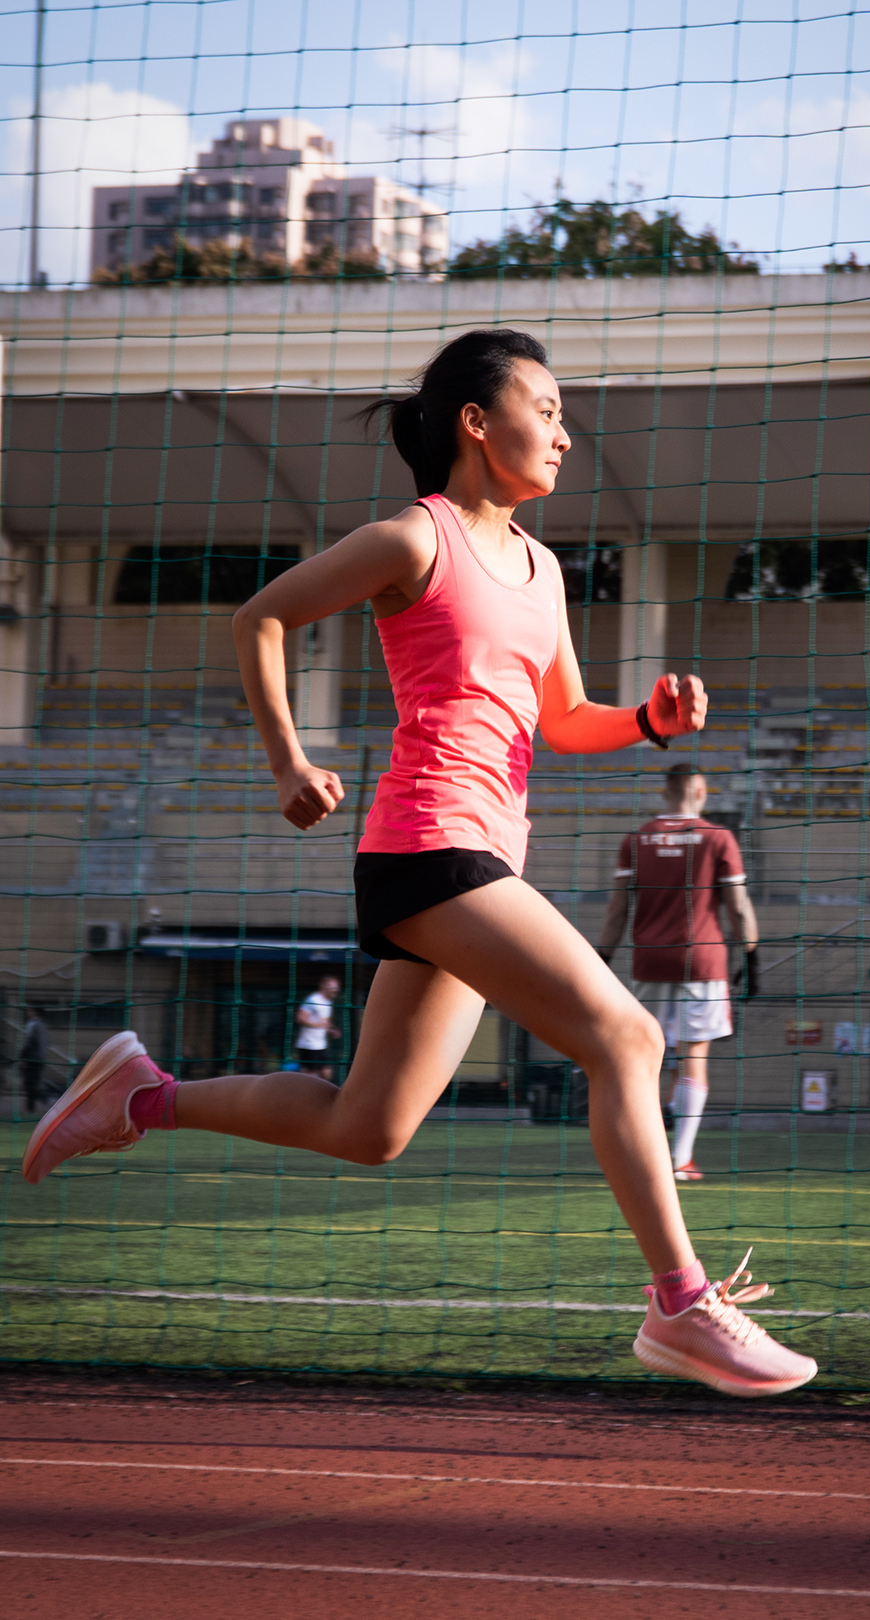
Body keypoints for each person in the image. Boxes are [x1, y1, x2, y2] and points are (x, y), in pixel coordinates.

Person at [21, 327, 816, 1399]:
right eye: (548, 408)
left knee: (370, 1126)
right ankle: (682, 1306)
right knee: (626, 1035)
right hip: (429, 847)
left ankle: (142, 1096)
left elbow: (564, 718)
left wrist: (646, 721)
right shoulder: (414, 538)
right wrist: (288, 761)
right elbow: (264, 618)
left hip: (485, 853)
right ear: (477, 424)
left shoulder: (541, 567)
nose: (566, 435)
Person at [597, 763, 758, 1182]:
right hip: (701, 963)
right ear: (701, 793)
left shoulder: (637, 840)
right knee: (693, 1057)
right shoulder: (719, 838)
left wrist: (602, 959)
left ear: (665, 794)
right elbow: (739, 907)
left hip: (649, 961)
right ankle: (679, 1159)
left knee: (646, 1058)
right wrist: (752, 958)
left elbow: (617, 911)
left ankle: (642, 1154)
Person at [294, 975, 342, 1081]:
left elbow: (325, 1022)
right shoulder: (313, 999)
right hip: (308, 1045)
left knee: (327, 1073)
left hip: (321, 1045)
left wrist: (331, 1030)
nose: (336, 990)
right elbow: (300, 1018)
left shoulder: (328, 1003)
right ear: (324, 987)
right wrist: (317, 1025)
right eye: (334, 987)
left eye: (337, 987)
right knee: (310, 1077)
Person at [19, 1007, 50, 1114]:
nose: (28, 1012)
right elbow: (46, 1043)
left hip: (32, 1059)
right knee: (34, 1083)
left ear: (35, 1012)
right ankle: (32, 1107)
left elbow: (28, 1041)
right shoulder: (43, 1025)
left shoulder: (32, 1024)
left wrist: (22, 1057)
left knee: (29, 1084)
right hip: (40, 1059)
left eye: (30, 1010)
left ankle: (44, 1100)